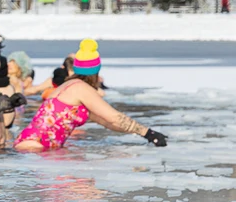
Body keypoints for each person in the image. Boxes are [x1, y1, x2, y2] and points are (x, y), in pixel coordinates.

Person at [16, 40, 168, 152]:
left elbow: (108, 122)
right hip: (35, 147)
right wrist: (148, 132)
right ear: (95, 71)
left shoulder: (70, 86)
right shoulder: (81, 88)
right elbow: (114, 117)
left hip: (33, 145)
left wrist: (145, 134)